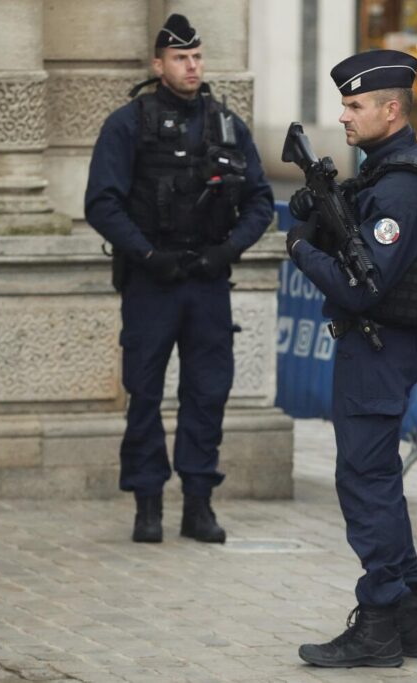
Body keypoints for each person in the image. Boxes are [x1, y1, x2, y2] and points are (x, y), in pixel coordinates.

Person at [286, 49, 417, 668]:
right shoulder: (389, 172)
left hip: (379, 346)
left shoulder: (402, 186)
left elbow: (361, 286)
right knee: (379, 480)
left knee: (364, 482)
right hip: (381, 345)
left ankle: (377, 625)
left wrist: (300, 250)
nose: (344, 115)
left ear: (391, 110)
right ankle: (410, 618)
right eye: (344, 103)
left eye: (355, 104)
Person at [84, 14, 273, 544]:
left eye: (196, 57)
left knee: (207, 392)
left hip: (208, 280)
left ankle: (198, 504)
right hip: (152, 280)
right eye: (180, 58)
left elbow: (260, 201)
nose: (192, 66)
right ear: (158, 64)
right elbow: (101, 202)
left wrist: (227, 250)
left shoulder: (226, 124)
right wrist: (147, 254)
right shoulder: (129, 123)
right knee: (144, 392)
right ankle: (148, 505)